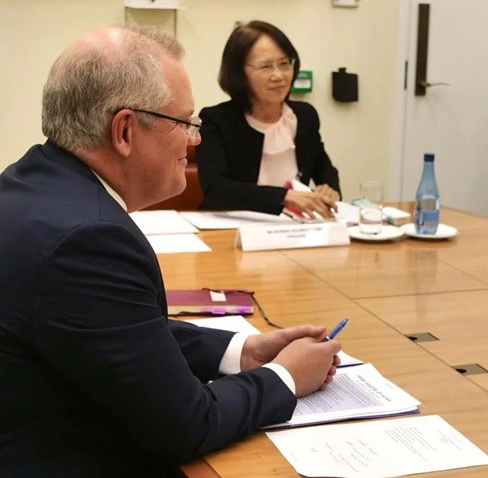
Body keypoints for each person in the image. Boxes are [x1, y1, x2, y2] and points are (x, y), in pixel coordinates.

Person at [0, 26, 341, 477]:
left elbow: (118, 330)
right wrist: (287, 377)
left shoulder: (32, 180)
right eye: (185, 122)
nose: (195, 139)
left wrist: (243, 351)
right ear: (124, 130)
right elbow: (187, 426)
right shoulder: (89, 239)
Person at [198, 20, 341, 218]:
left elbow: (323, 167)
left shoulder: (304, 115)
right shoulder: (215, 121)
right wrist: (284, 197)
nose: (278, 75)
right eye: (265, 66)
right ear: (239, 73)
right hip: (234, 225)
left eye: (284, 64)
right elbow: (216, 190)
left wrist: (329, 189)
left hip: (292, 225)